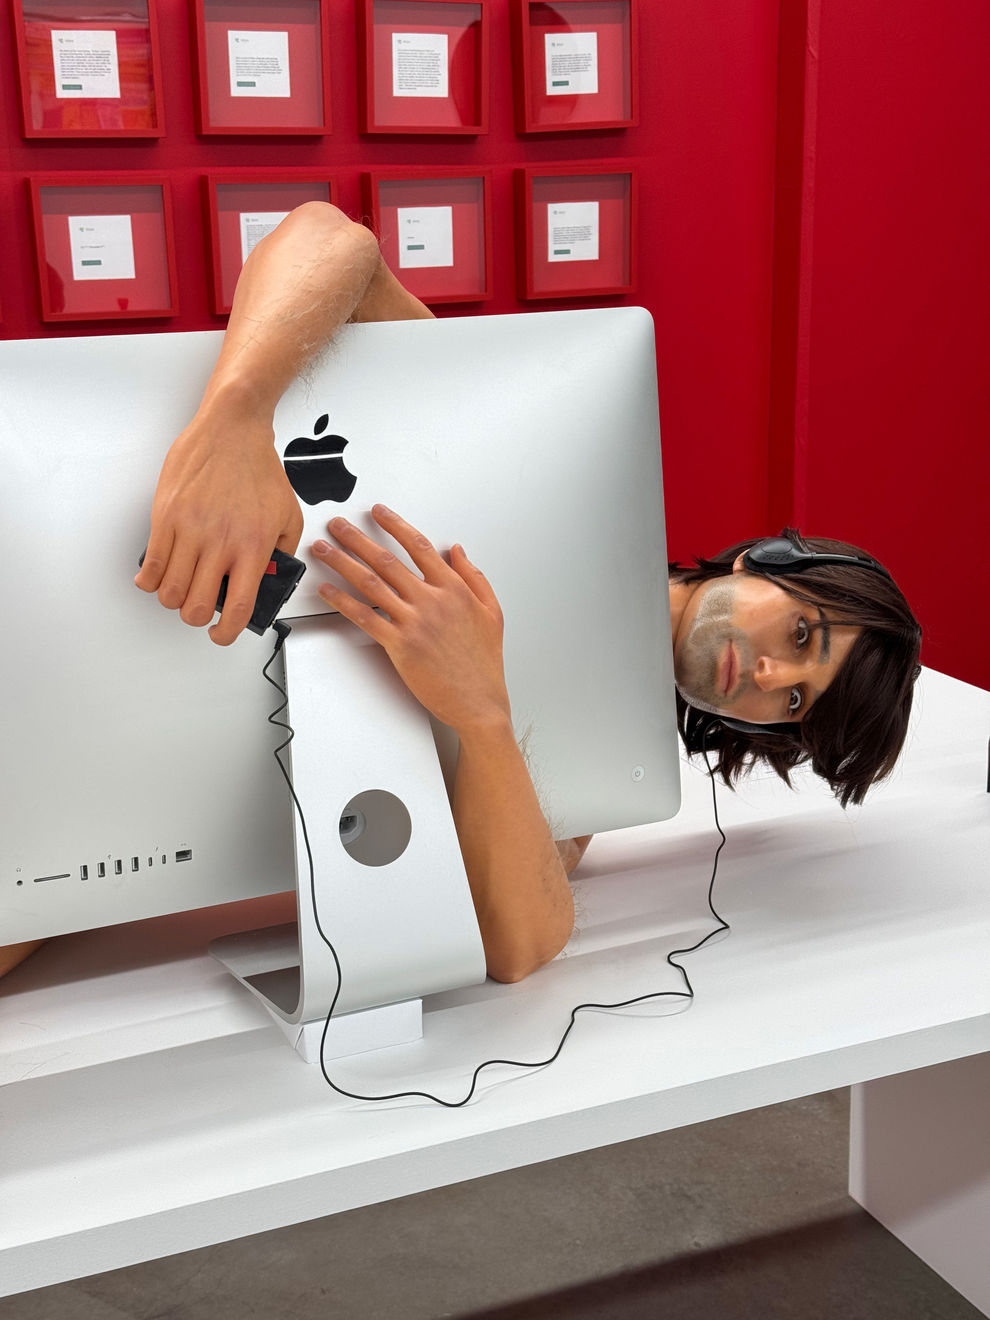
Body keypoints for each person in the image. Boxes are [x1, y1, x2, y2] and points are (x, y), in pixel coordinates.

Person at [1, 204, 921, 985]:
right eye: (802, 633)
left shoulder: (595, 776)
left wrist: (481, 712)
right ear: (765, 562)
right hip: (62, 568)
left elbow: (520, 947)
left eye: (794, 700)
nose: (763, 671)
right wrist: (237, 418)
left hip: (76, 801)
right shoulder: (520, 444)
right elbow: (330, 237)